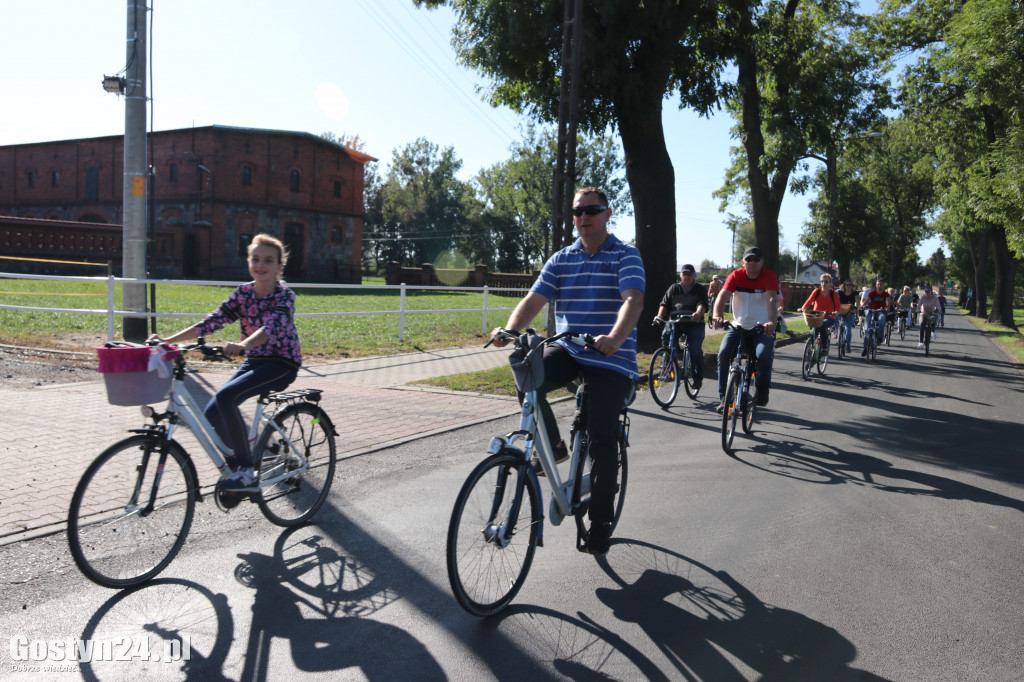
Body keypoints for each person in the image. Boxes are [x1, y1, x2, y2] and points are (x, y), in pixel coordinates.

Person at [490, 186, 645, 556]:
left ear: (608, 214)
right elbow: (534, 298)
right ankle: (554, 448)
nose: (583, 217)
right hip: (569, 348)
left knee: (601, 437)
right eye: (577, 212)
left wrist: (615, 337)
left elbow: (633, 300)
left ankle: (601, 523)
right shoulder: (561, 258)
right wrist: (510, 329)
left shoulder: (626, 255)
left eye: (591, 210)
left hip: (610, 356)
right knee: (528, 376)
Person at [151, 233, 302, 491]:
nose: (260, 265)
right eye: (255, 259)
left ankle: (247, 470)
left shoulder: (284, 296)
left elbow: (269, 328)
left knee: (225, 399)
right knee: (212, 414)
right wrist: (168, 340)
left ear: (279, 266)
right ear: (248, 262)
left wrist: (242, 345)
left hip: (282, 363)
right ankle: (238, 462)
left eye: (268, 260)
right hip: (255, 360)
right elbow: (211, 322)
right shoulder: (243, 293)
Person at [711, 246, 778, 412]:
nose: (752, 263)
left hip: (761, 328)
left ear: (762, 262)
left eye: (756, 259)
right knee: (723, 354)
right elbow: (722, 297)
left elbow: (771, 300)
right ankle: (724, 398)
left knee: (763, 356)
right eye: (749, 259)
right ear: (743, 262)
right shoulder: (736, 275)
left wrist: (771, 322)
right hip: (738, 326)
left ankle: (762, 391)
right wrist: (717, 315)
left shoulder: (768, 276)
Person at [653, 264, 708, 390]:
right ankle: (667, 366)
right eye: (684, 274)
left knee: (695, 348)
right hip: (676, 322)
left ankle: (697, 377)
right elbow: (664, 304)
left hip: (694, 323)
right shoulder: (674, 288)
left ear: (694, 276)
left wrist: (698, 313)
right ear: (681, 275)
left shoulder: (700, 289)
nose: (687, 277)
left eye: (689, 274)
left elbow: (702, 304)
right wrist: (658, 317)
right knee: (666, 338)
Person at [798, 274, 840, 352]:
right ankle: (811, 346)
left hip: (828, 317)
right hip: (816, 316)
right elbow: (809, 301)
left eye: (826, 281)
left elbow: (837, 306)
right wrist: (803, 308)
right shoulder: (816, 291)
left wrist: (836, 313)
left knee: (822, 325)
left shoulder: (834, 294)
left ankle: (824, 347)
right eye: (822, 281)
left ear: (830, 283)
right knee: (813, 331)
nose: (824, 283)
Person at [861, 278, 892, 356]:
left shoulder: (885, 294)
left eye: (881, 284)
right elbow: (866, 301)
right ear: (876, 285)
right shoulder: (872, 294)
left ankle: (880, 337)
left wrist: (887, 307)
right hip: (872, 311)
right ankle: (865, 348)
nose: (879, 285)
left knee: (882, 318)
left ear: (883, 285)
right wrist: (861, 307)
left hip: (880, 311)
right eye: (878, 284)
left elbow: (887, 301)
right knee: (867, 330)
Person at [837, 280, 859, 354]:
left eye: (850, 285)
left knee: (848, 328)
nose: (848, 286)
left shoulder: (854, 293)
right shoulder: (840, 293)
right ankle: (837, 334)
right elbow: (835, 300)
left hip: (850, 312)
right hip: (840, 311)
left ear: (852, 286)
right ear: (844, 285)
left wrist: (856, 307)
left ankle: (848, 345)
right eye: (847, 285)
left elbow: (857, 302)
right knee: (835, 320)